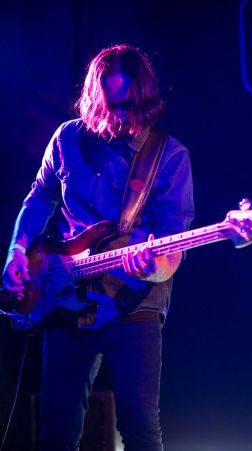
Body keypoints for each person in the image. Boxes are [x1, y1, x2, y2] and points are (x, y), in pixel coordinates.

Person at [2, 44, 194, 451]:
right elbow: (39, 199)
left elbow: (171, 252)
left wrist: (150, 266)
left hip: (133, 303)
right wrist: (17, 251)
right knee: (54, 434)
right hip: (64, 296)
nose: (125, 117)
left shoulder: (170, 156)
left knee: (141, 429)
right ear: (94, 99)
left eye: (134, 106)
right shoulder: (67, 138)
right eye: (114, 106)